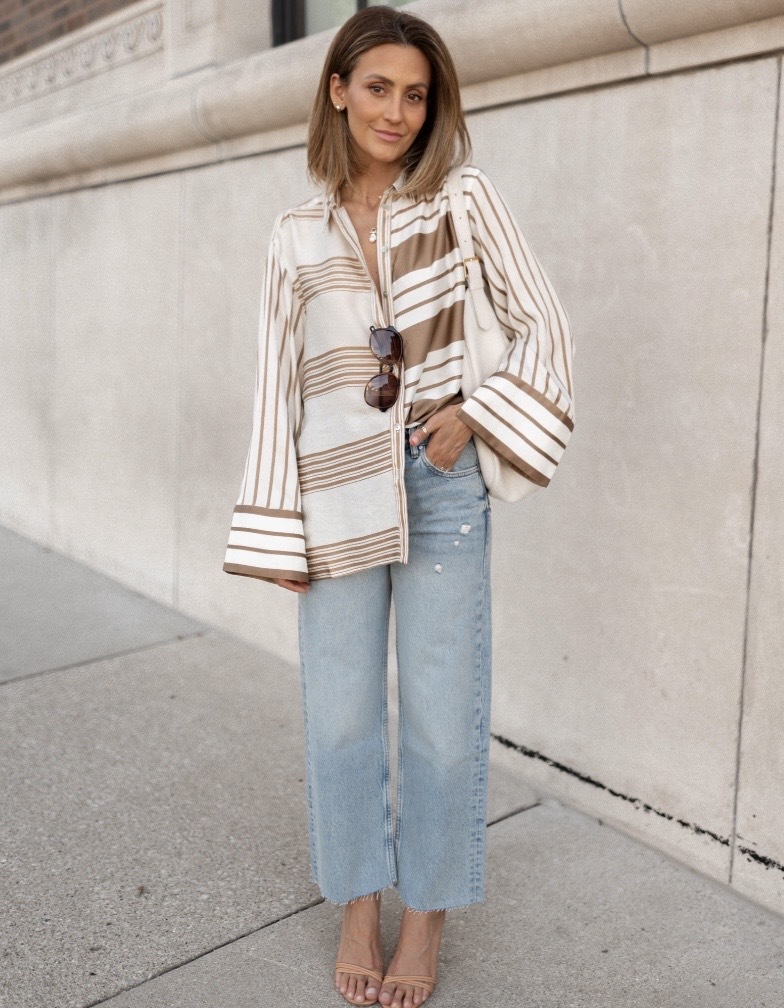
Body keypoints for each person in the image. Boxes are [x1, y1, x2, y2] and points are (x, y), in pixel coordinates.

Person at [224, 6, 575, 1006]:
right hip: (330, 495)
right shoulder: (295, 234)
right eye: (377, 87)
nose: (397, 111)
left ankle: (423, 921)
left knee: (436, 721)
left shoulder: (463, 198)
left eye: (415, 94)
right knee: (338, 721)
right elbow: (273, 387)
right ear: (337, 89)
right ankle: (356, 903)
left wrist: (477, 411)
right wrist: (275, 522)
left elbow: (547, 328)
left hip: (439, 488)